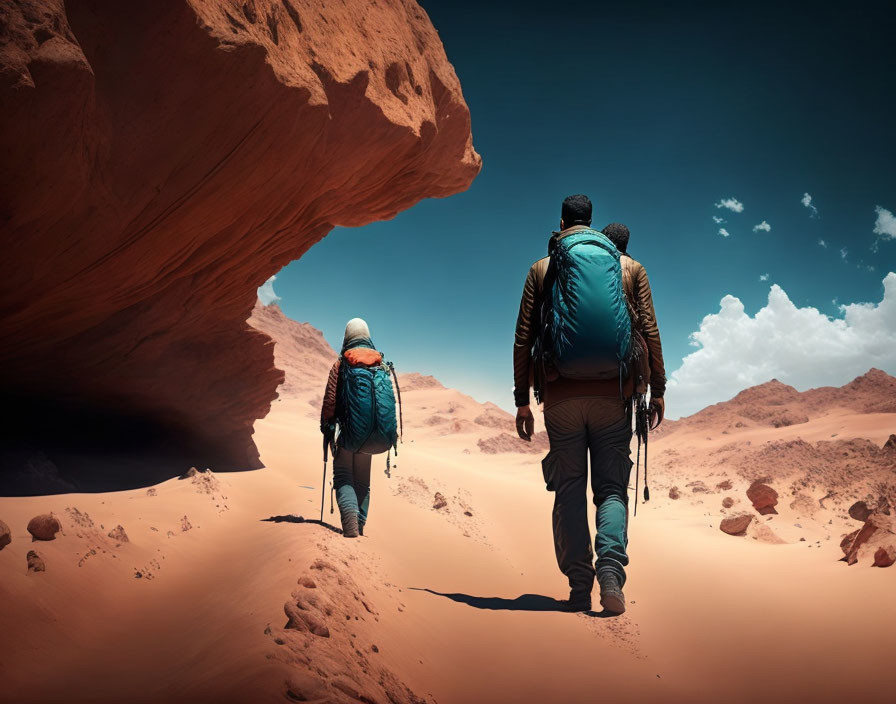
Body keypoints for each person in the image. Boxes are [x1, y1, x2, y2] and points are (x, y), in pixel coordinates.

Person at [513, 195, 666, 613]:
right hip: (614, 396)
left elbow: (523, 337)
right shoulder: (627, 266)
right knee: (612, 489)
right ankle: (611, 575)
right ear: (592, 223)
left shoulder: (542, 268)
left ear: (562, 222)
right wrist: (658, 389)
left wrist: (522, 400)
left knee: (568, 489)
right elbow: (649, 330)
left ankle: (580, 586)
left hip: (560, 395)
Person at [320, 318, 376, 538]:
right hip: (372, 436)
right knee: (363, 482)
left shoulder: (342, 364)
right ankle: (359, 528)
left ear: (347, 337)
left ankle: (351, 529)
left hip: (348, 434)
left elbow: (330, 400)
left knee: (344, 476)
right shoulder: (379, 364)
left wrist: (327, 428)